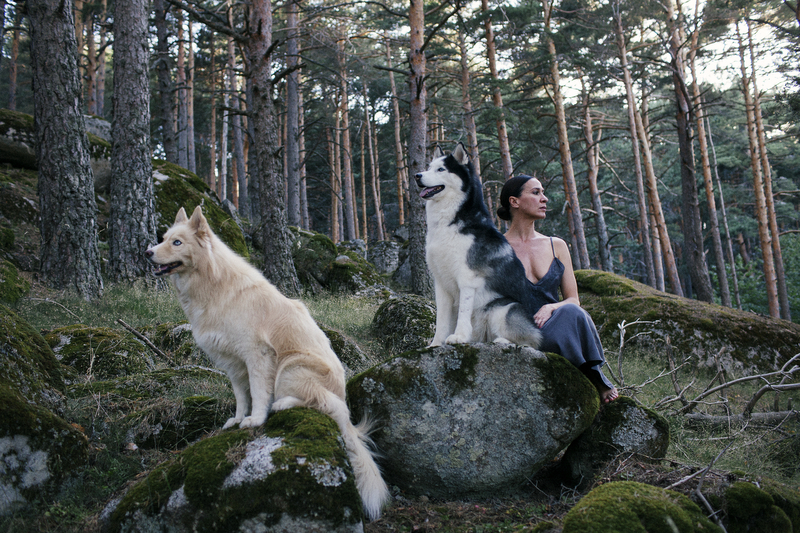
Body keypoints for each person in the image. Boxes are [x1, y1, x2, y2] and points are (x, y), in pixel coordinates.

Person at [498, 175, 619, 404]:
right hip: (516, 336)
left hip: (551, 333)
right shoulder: (496, 247)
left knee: (573, 313)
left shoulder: (557, 245)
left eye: (543, 192)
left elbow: (573, 300)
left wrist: (552, 307)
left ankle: (595, 377)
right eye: (535, 193)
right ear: (514, 201)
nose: (544, 199)